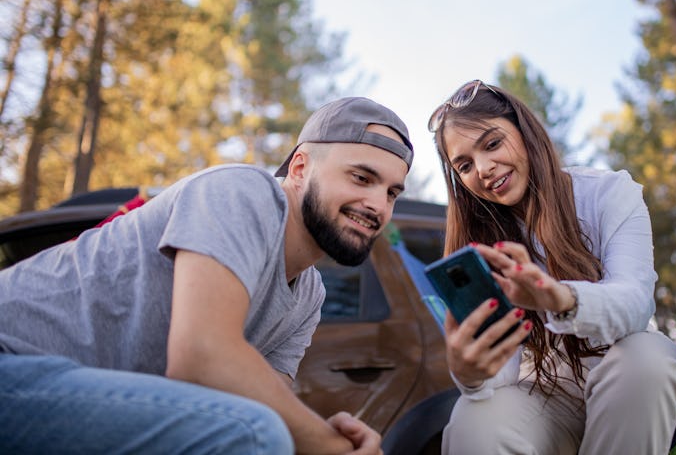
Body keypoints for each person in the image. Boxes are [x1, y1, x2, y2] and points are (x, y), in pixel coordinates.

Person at [0, 97, 414, 455]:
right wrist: (329, 447)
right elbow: (200, 356)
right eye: (362, 178)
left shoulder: (308, 294)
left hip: (68, 392)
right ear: (301, 167)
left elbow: (267, 397)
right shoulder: (242, 192)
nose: (378, 205)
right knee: (252, 434)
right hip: (13, 359)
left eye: (392, 193)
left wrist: (330, 435)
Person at [427, 80, 676, 454]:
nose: (483, 169)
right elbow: (499, 379)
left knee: (644, 362)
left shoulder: (608, 194)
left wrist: (562, 298)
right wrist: (470, 375)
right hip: (547, 398)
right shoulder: (481, 243)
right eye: (464, 165)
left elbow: (634, 305)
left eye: (492, 144)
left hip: (628, 391)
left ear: (524, 131)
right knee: (474, 418)